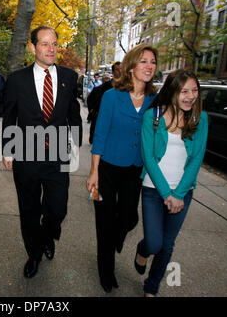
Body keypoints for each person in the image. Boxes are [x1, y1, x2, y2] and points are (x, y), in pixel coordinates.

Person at [2, 25, 82, 279]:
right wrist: (7, 149)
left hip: (58, 155)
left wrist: (77, 143)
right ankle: (33, 254)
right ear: (32, 47)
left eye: (54, 44)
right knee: (29, 210)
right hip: (26, 156)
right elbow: (9, 115)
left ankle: (48, 236)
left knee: (57, 210)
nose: (51, 49)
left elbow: (73, 114)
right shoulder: (16, 80)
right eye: (45, 44)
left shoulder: (70, 76)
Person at [85, 43, 158, 293]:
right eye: (144, 61)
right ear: (131, 67)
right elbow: (101, 134)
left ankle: (115, 237)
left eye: (153, 62)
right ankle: (106, 272)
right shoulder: (112, 96)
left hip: (135, 170)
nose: (149, 66)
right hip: (106, 168)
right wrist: (93, 172)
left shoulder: (154, 100)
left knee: (128, 217)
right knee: (104, 220)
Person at [134, 69, 208, 297]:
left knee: (167, 246)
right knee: (154, 243)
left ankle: (151, 288)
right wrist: (167, 194)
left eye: (194, 91)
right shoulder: (152, 116)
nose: (190, 96)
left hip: (183, 192)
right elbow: (148, 158)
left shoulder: (200, 118)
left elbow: (197, 158)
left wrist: (179, 193)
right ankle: (142, 249)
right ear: (172, 90)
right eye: (184, 91)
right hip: (153, 190)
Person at [87, 62, 121, 144]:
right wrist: (92, 110)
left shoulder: (128, 87)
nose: (120, 71)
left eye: (122, 69)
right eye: (117, 69)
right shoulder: (105, 87)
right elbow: (95, 100)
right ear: (113, 72)